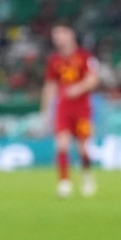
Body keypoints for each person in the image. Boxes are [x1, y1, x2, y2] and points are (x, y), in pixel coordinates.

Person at [42, 24, 100, 197]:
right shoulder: (54, 60)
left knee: (83, 148)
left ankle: (86, 175)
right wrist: (45, 109)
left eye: (60, 33)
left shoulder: (85, 57)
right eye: (54, 35)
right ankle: (64, 182)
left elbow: (94, 79)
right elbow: (50, 85)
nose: (57, 38)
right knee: (62, 145)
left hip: (82, 108)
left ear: (71, 35)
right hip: (63, 108)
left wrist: (78, 88)